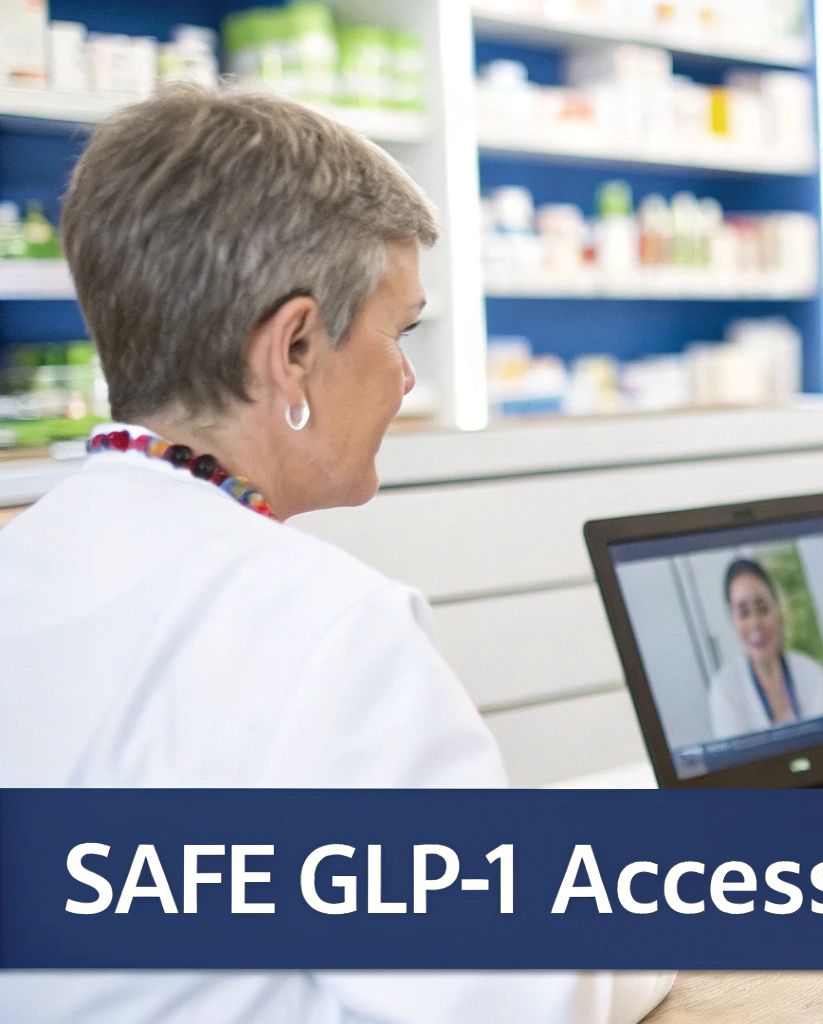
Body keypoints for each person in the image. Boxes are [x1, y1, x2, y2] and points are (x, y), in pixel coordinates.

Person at [0, 88, 671, 1023]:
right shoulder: (323, 626)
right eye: (399, 332)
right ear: (296, 346)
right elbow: (509, 999)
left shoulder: (25, 565)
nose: (404, 377)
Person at [706, 558, 823, 738]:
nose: (755, 624)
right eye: (743, 613)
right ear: (732, 619)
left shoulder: (813, 674)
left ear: (778, 609)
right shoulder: (724, 691)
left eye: (762, 608)